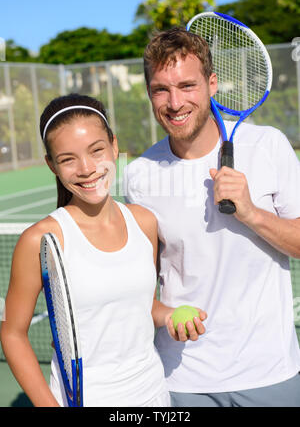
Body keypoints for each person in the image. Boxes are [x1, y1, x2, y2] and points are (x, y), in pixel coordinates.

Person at [123, 27, 300, 407]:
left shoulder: (268, 145)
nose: (174, 102)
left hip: (269, 372)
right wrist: (165, 314)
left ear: (212, 83)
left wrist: (252, 214)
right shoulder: (138, 174)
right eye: (160, 89)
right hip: (183, 379)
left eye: (187, 85)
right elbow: (142, 282)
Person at [0, 92, 176, 407]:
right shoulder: (39, 240)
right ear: (51, 165)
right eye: (68, 159)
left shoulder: (144, 222)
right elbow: (13, 334)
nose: (87, 168)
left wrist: (171, 315)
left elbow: (144, 306)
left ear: (114, 146)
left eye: (97, 151)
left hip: (154, 395)